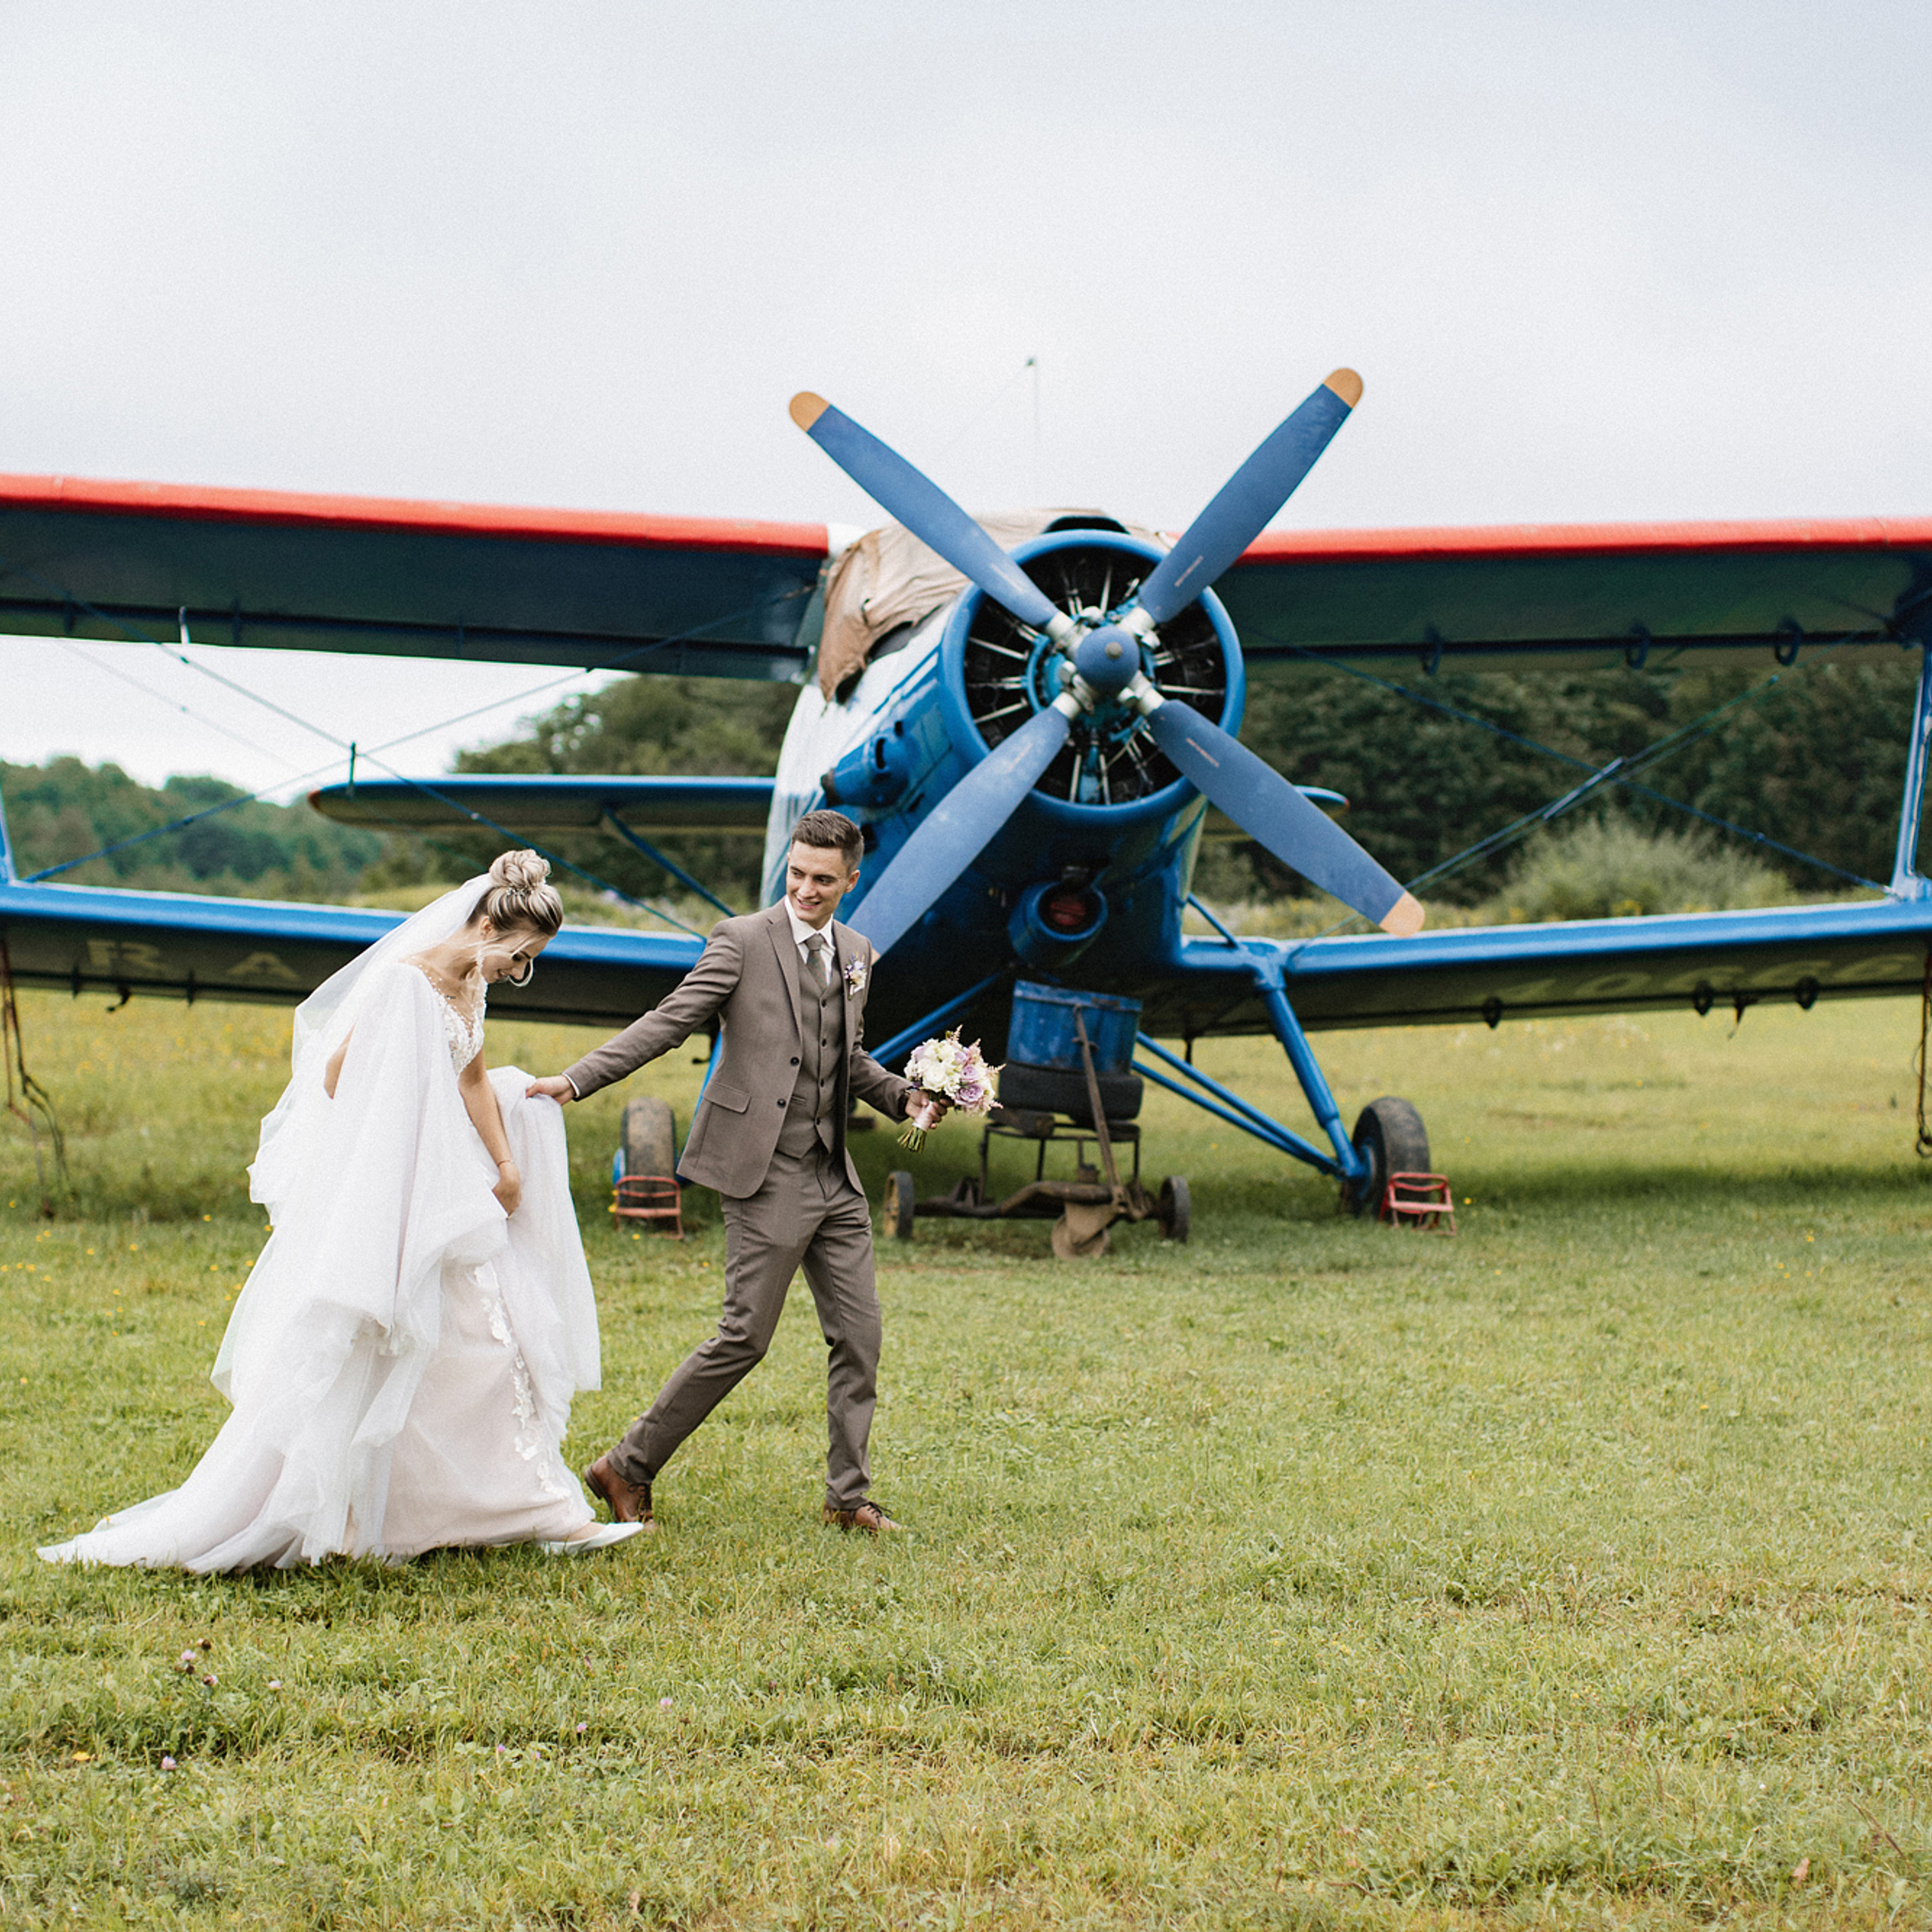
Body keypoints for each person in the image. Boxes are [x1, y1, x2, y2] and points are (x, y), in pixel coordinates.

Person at [38, 852, 641, 1571]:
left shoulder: (471, 985)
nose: (518, 971)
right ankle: (376, 1516)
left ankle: (519, 1508)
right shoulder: (406, 982)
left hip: (457, 1186)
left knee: (477, 1345)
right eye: (520, 956)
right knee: (412, 1344)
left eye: (529, 962)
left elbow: (474, 1077)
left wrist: (507, 1165)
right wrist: (414, 1132)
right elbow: (336, 1074)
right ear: (487, 927)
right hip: (408, 1184)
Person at [528, 810, 938, 1535]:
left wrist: (904, 1096)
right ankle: (626, 1465)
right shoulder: (741, 940)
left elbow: (846, 1058)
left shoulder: (856, 953)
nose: (805, 889)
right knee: (745, 1335)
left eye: (822, 879)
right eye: (797, 874)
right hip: (762, 1170)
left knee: (861, 1338)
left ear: (851, 880)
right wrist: (577, 1078)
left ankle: (848, 1499)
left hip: (834, 1178)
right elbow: (669, 1021)